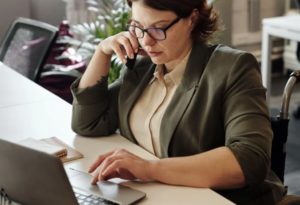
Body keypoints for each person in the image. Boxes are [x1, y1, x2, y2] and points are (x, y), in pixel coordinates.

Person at [71, 0, 286, 204]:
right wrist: (102, 52)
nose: (146, 41)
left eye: (158, 28)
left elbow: (250, 160)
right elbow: (88, 123)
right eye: (137, 26)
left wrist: (149, 169)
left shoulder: (232, 67)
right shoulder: (142, 66)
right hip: (153, 196)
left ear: (191, 19)